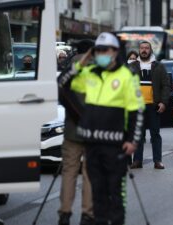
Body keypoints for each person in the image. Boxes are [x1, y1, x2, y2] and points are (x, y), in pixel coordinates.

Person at [58, 32, 144, 225]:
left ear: (115, 52)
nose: (102, 54)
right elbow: (61, 85)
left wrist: (132, 140)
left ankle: (106, 219)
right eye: (99, 50)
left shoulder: (127, 76)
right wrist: (80, 65)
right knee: (97, 192)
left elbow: (136, 110)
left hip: (114, 145)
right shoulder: (89, 73)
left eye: (106, 50)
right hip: (91, 142)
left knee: (114, 193)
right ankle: (93, 218)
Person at [57, 41, 94, 225]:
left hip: (72, 129)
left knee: (69, 172)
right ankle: (87, 214)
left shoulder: (71, 68)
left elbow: (60, 90)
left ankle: (65, 213)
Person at [129, 41, 170, 169]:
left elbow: (166, 85)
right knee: (138, 135)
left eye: (147, 48)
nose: (144, 50)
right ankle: (137, 161)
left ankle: (157, 161)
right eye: (142, 48)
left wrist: (163, 102)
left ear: (151, 50)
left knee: (155, 134)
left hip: (153, 105)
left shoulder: (159, 66)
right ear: (139, 50)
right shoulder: (132, 66)